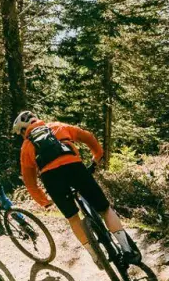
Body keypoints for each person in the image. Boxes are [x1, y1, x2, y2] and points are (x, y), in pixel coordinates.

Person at [14, 110, 140, 263]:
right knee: (104, 209)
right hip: (74, 167)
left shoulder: (26, 146)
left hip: (52, 179)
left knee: (73, 218)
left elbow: (29, 180)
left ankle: (95, 256)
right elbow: (87, 137)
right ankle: (127, 250)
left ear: (23, 130)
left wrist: (43, 201)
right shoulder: (57, 126)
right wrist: (97, 155)